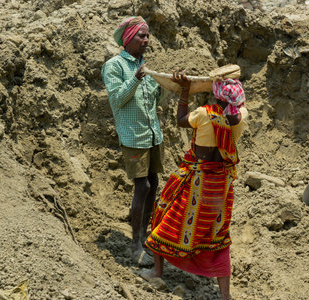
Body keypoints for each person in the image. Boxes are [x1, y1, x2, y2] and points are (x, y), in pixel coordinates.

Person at [142, 68, 248, 300]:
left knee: (163, 213)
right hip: (221, 185)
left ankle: (157, 272)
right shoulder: (243, 115)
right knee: (218, 235)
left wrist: (185, 91)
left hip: (198, 182)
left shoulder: (204, 113)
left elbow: (181, 121)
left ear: (217, 94)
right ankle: (225, 295)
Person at [101, 16, 167, 266]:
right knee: (143, 187)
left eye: (148, 35)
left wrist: (168, 85)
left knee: (153, 183)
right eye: (142, 36)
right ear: (128, 39)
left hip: (151, 135)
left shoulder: (144, 65)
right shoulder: (115, 66)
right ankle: (135, 246)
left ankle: (145, 237)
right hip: (133, 137)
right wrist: (137, 77)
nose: (146, 40)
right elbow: (117, 99)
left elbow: (154, 101)